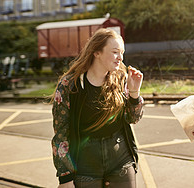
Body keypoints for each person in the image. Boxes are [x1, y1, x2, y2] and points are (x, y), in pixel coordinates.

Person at [51, 28, 144, 187]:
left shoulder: (121, 79)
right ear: (97, 52)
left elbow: (132, 118)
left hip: (121, 160)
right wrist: (65, 176)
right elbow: (61, 132)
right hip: (85, 165)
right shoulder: (69, 85)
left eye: (122, 52)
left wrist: (134, 93)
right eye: (115, 52)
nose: (120, 58)